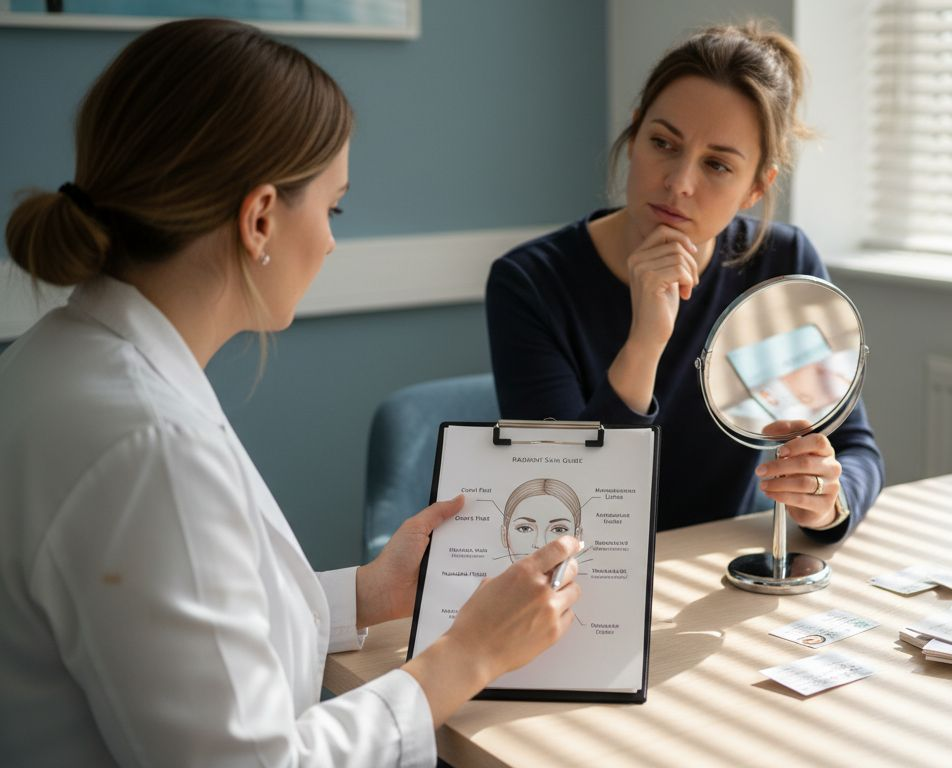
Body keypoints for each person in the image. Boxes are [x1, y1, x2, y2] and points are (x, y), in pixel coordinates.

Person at [0, 19, 580, 767]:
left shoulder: (60, 359)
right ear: (261, 217)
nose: (334, 241)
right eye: (332, 208)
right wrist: (466, 657)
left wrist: (370, 594)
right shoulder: (149, 449)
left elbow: (181, 638)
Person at [486, 22, 883, 540]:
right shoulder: (530, 283)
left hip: (723, 574)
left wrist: (827, 501)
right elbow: (566, 496)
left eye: (717, 165)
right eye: (663, 143)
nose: (679, 183)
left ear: (755, 189)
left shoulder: (781, 264)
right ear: (634, 136)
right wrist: (646, 341)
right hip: (591, 586)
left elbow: (854, 447)